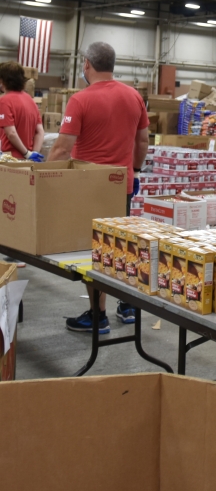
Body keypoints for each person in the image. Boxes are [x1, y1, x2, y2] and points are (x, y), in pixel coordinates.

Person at [48, 42, 149, 334]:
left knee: (95, 250)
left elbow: (62, 149)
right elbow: (142, 142)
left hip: (89, 187)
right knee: (122, 243)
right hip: (123, 184)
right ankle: (128, 305)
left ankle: (97, 315)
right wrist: (137, 171)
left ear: (86, 64)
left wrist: (47, 181)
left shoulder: (80, 100)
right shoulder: (134, 97)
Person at [0, 61, 44, 161]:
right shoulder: (30, 100)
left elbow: (11, 133)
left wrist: (26, 153)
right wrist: (33, 153)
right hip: (27, 160)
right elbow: (40, 131)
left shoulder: (4, 101)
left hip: (10, 159)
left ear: (3, 80)